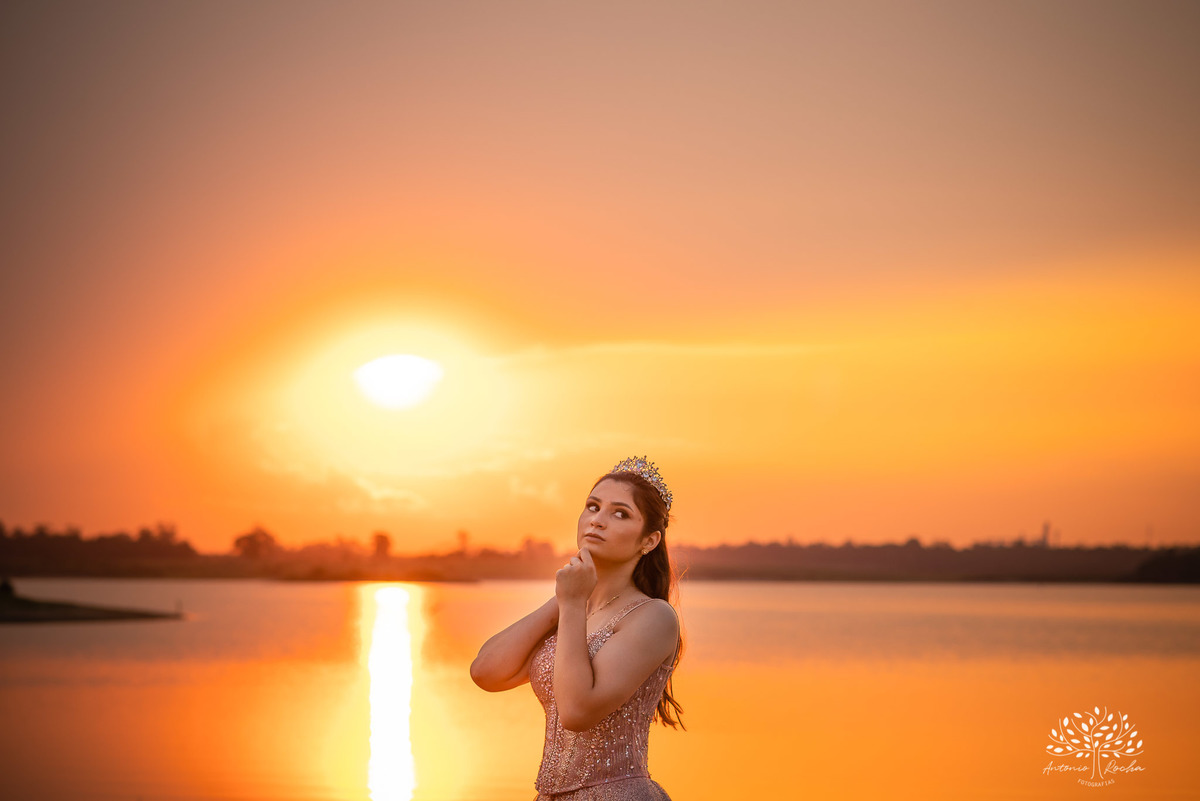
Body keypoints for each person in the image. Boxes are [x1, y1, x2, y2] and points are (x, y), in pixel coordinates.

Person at [471, 456, 684, 800]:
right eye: (592, 507)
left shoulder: (653, 617)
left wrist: (571, 605)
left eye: (620, 513)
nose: (597, 520)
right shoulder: (572, 608)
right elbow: (485, 672)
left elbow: (576, 711)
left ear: (649, 541)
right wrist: (564, 599)